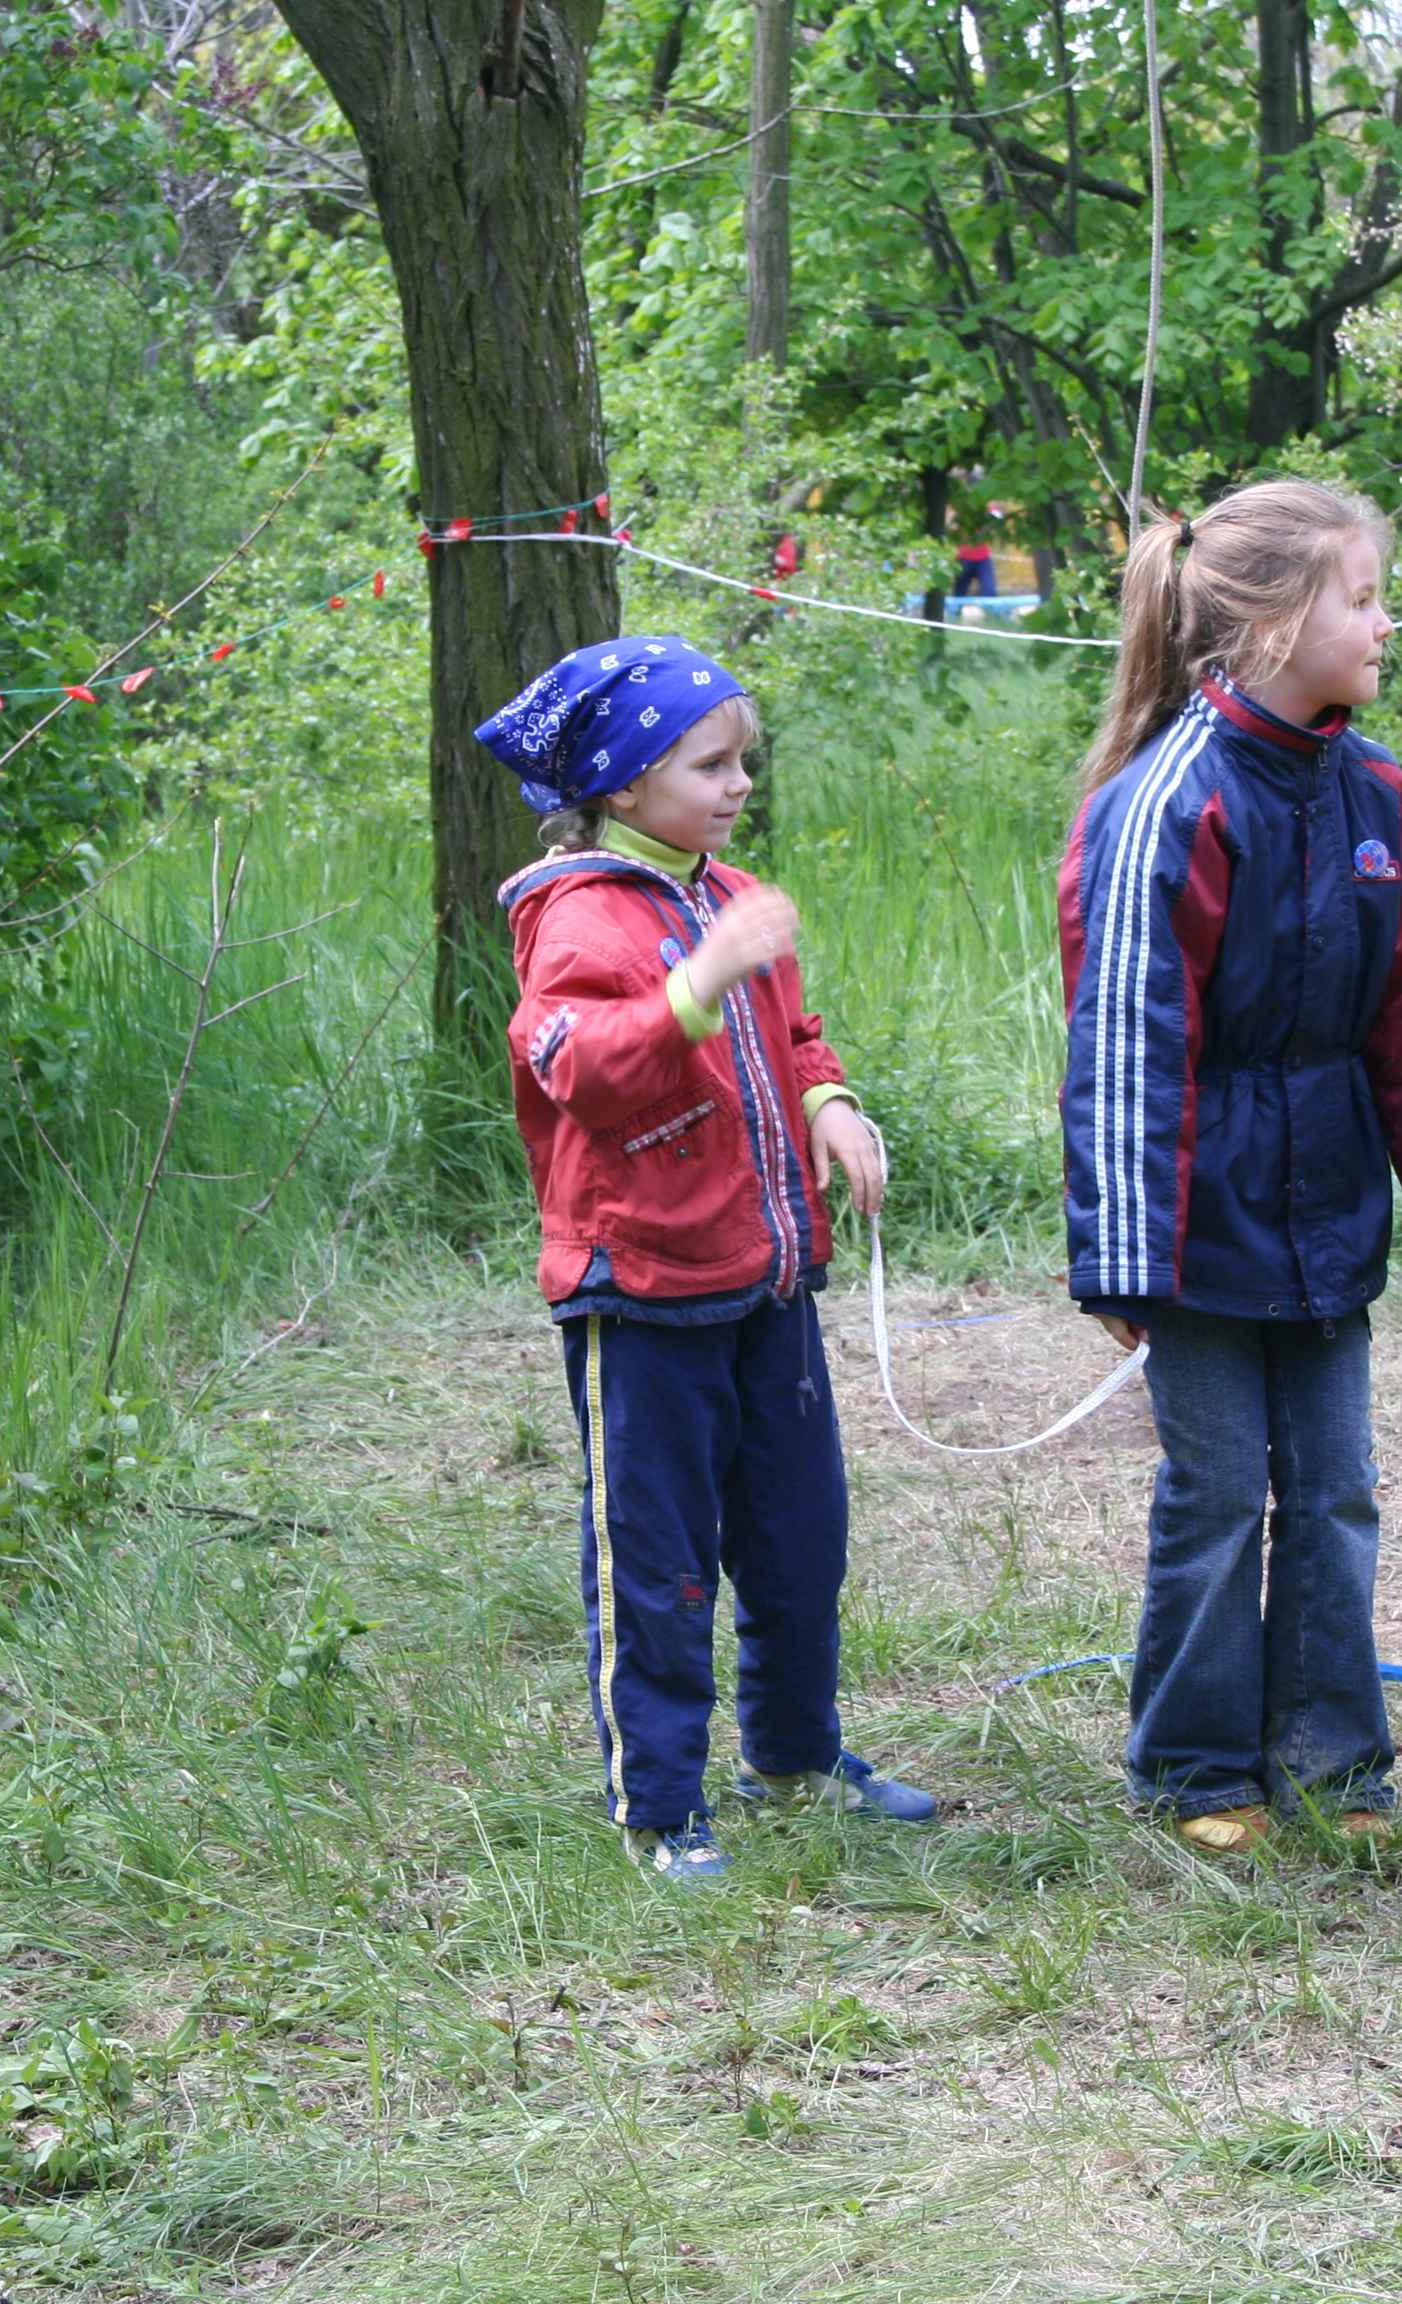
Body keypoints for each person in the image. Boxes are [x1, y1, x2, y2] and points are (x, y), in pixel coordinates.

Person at [1059, 478, 1402, 1858]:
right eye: (1361, 600)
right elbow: (1126, 1042)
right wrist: (1125, 1255)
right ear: (1269, 628)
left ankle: (1332, 1759)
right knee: (1216, 1495)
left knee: (1334, 1489)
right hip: (1197, 1228)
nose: (1385, 624)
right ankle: (1194, 1766)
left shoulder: (1374, 791)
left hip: (1328, 1210)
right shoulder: (1170, 802)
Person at [482, 637, 937, 1890]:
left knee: (800, 1538)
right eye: (710, 764)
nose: (739, 784)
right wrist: (700, 981)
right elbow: (582, 1070)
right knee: (660, 1562)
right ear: (626, 784)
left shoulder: (726, 894)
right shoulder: (575, 916)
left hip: (765, 1280)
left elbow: (791, 1031)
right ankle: (661, 1808)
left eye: (745, 760)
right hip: (643, 1297)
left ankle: (792, 1756)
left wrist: (830, 1103)